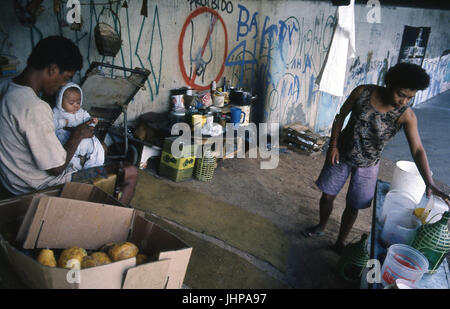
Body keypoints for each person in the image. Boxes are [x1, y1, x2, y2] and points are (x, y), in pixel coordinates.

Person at [303, 62, 450, 253]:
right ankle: (321, 227)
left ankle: (340, 242)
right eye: (401, 94)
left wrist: (429, 182)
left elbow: (418, 150)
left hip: (368, 165)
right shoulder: (362, 92)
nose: (403, 101)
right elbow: (340, 117)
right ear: (389, 84)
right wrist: (333, 146)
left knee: (353, 205)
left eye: (409, 98)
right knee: (327, 195)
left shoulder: (406, 115)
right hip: (342, 154)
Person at [0, 36, 137, 205]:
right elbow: (56, 168)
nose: (63, 85)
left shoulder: (5, 88)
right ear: (52, 69)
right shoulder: (34, 107)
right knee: (128, 170)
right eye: (66, 78)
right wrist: (78, 134)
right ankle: (116, 219)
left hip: (13, 182)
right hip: (42, 187)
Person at [53, 82, 105, 172]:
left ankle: (94, 166)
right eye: (71, 103)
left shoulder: (81, 112)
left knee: (98, 148)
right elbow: (52, 124)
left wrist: (92, 121)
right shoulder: (56, 112)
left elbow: (87, 118)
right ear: (60, 101)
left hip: (84, 139)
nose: (76, 106)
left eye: (78, 102)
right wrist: (62, 123)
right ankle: (76, 170)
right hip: (67, 140)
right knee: (70, 157)